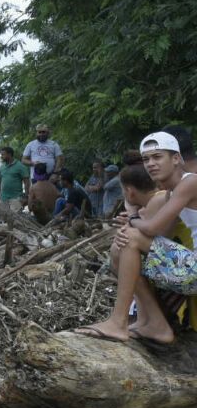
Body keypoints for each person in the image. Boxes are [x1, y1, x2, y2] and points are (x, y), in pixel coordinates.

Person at [77, 136, 197, 345]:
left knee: (131, 239)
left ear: (176, 158)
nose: (151, 163)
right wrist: (132, 224)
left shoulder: (191, 182)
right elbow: (161, 236)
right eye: (146, 159)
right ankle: (154, 324)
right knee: (119, 249)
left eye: (157, 157)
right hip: (190, 269)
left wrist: (133, 216)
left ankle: (118, 322)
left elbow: (152, 228)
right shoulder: (171, 193)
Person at [0, 146, 28, 211]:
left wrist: (26, 197)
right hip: (3, 199)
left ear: (9, 154)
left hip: (16, 199)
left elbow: (27, 183)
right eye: (1, 154)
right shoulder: (2, 167)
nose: (1, 156)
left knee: (16, 217)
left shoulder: (20, 166)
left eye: (3, 154)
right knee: (4, 217)